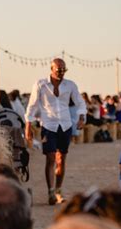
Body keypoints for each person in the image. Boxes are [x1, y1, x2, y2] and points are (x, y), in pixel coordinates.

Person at [25, 58, 86, 205]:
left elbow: (80, 102)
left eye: (64, 70)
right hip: (48, 125)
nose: (61, 73)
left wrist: (82, 117)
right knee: (50, 158)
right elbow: (32, 105)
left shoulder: (70, 85)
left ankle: (58, 190)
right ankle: (50, 191)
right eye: (59, 70)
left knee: (61, 159)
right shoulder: (40, 84)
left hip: (65, 125)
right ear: (51, 69)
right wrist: (28, 125)